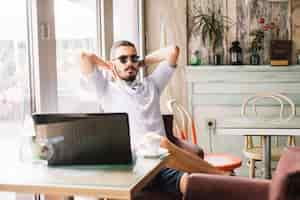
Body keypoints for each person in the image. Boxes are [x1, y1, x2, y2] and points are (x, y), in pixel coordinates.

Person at [77, 40, 226, 198]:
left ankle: (222, 179)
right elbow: (84, 56)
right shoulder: (106, 90)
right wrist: (107, 65)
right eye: (123, 59)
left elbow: (173, 50)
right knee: (162, 147)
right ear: (114, 63)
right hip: (138, 167)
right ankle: (221, 176)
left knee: (195, 182)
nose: (129, 63)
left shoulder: (152, 85)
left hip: (164, 162)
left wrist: (142, 62)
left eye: (133, 58)